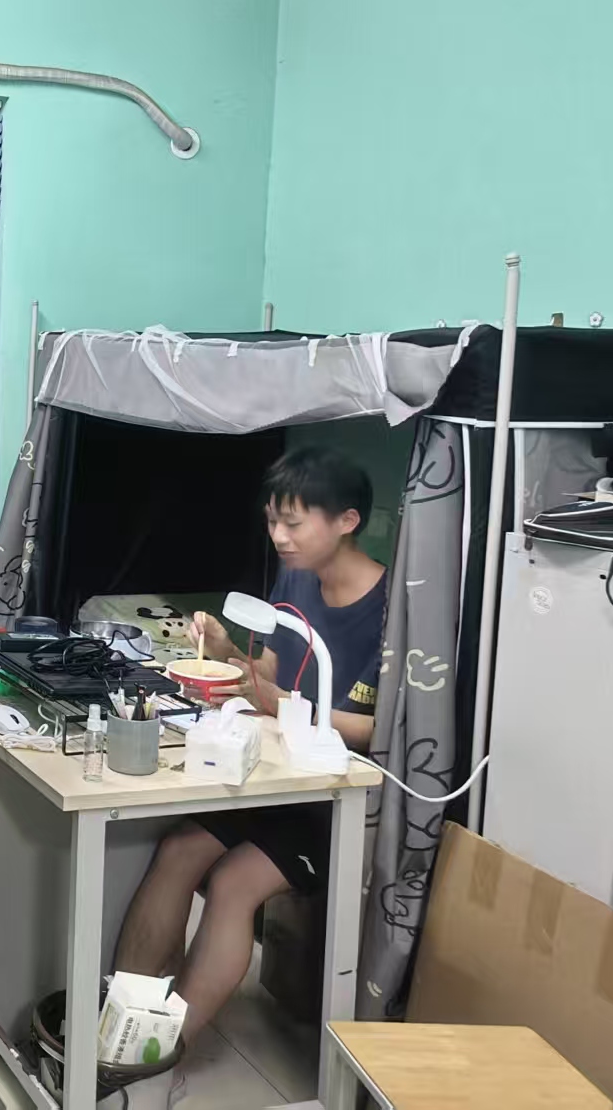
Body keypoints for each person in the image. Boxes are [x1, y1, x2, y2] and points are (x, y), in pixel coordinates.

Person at [113, 446, 387, 1046]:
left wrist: (279, 700)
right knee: (178, 849)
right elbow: (266, 674)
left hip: (333, 796)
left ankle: (161, 1049)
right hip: (271, 772)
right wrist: (225, 650)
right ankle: (120, 1023)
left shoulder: (389, 609)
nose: (279, 537)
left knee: (234, 884)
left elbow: (379, 729)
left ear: (347, 520)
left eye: (293, 523)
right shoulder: (295, 579)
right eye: (272, 521)